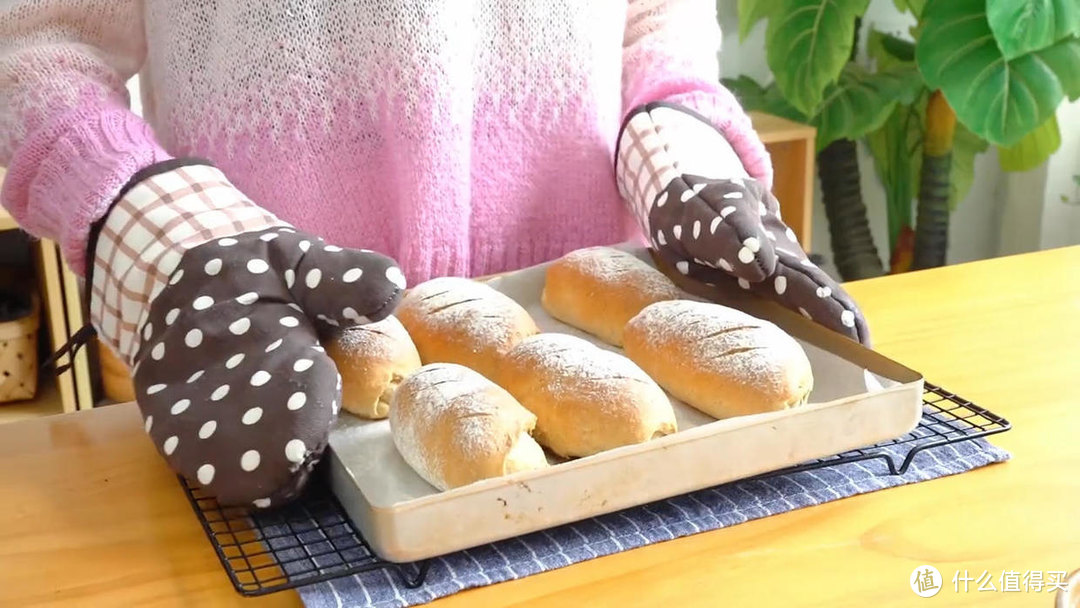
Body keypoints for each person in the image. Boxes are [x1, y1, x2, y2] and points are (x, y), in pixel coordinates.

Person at [1, 0, 869, 507]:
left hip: (609, 398)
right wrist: (164, 231)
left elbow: (655, 22)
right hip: (265, 366)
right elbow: (36, 41)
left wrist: (683, 165)